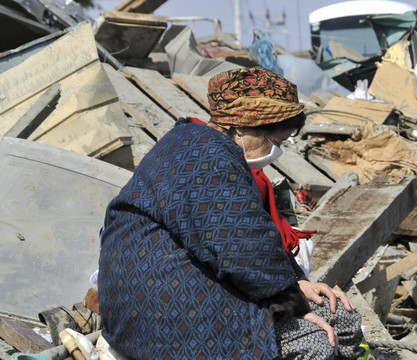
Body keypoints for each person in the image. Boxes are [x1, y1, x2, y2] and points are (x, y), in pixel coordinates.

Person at [98, 67, 364, 360]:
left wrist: (298, 282)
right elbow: (242, 250)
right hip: (161, 317)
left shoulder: (197, 142)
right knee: (317, 344)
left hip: (169, 296)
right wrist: (296, 305)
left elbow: (252, 232)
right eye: (275, 142)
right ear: (244, 127)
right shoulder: (208, 158)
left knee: (344, 317)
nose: (277, 151)